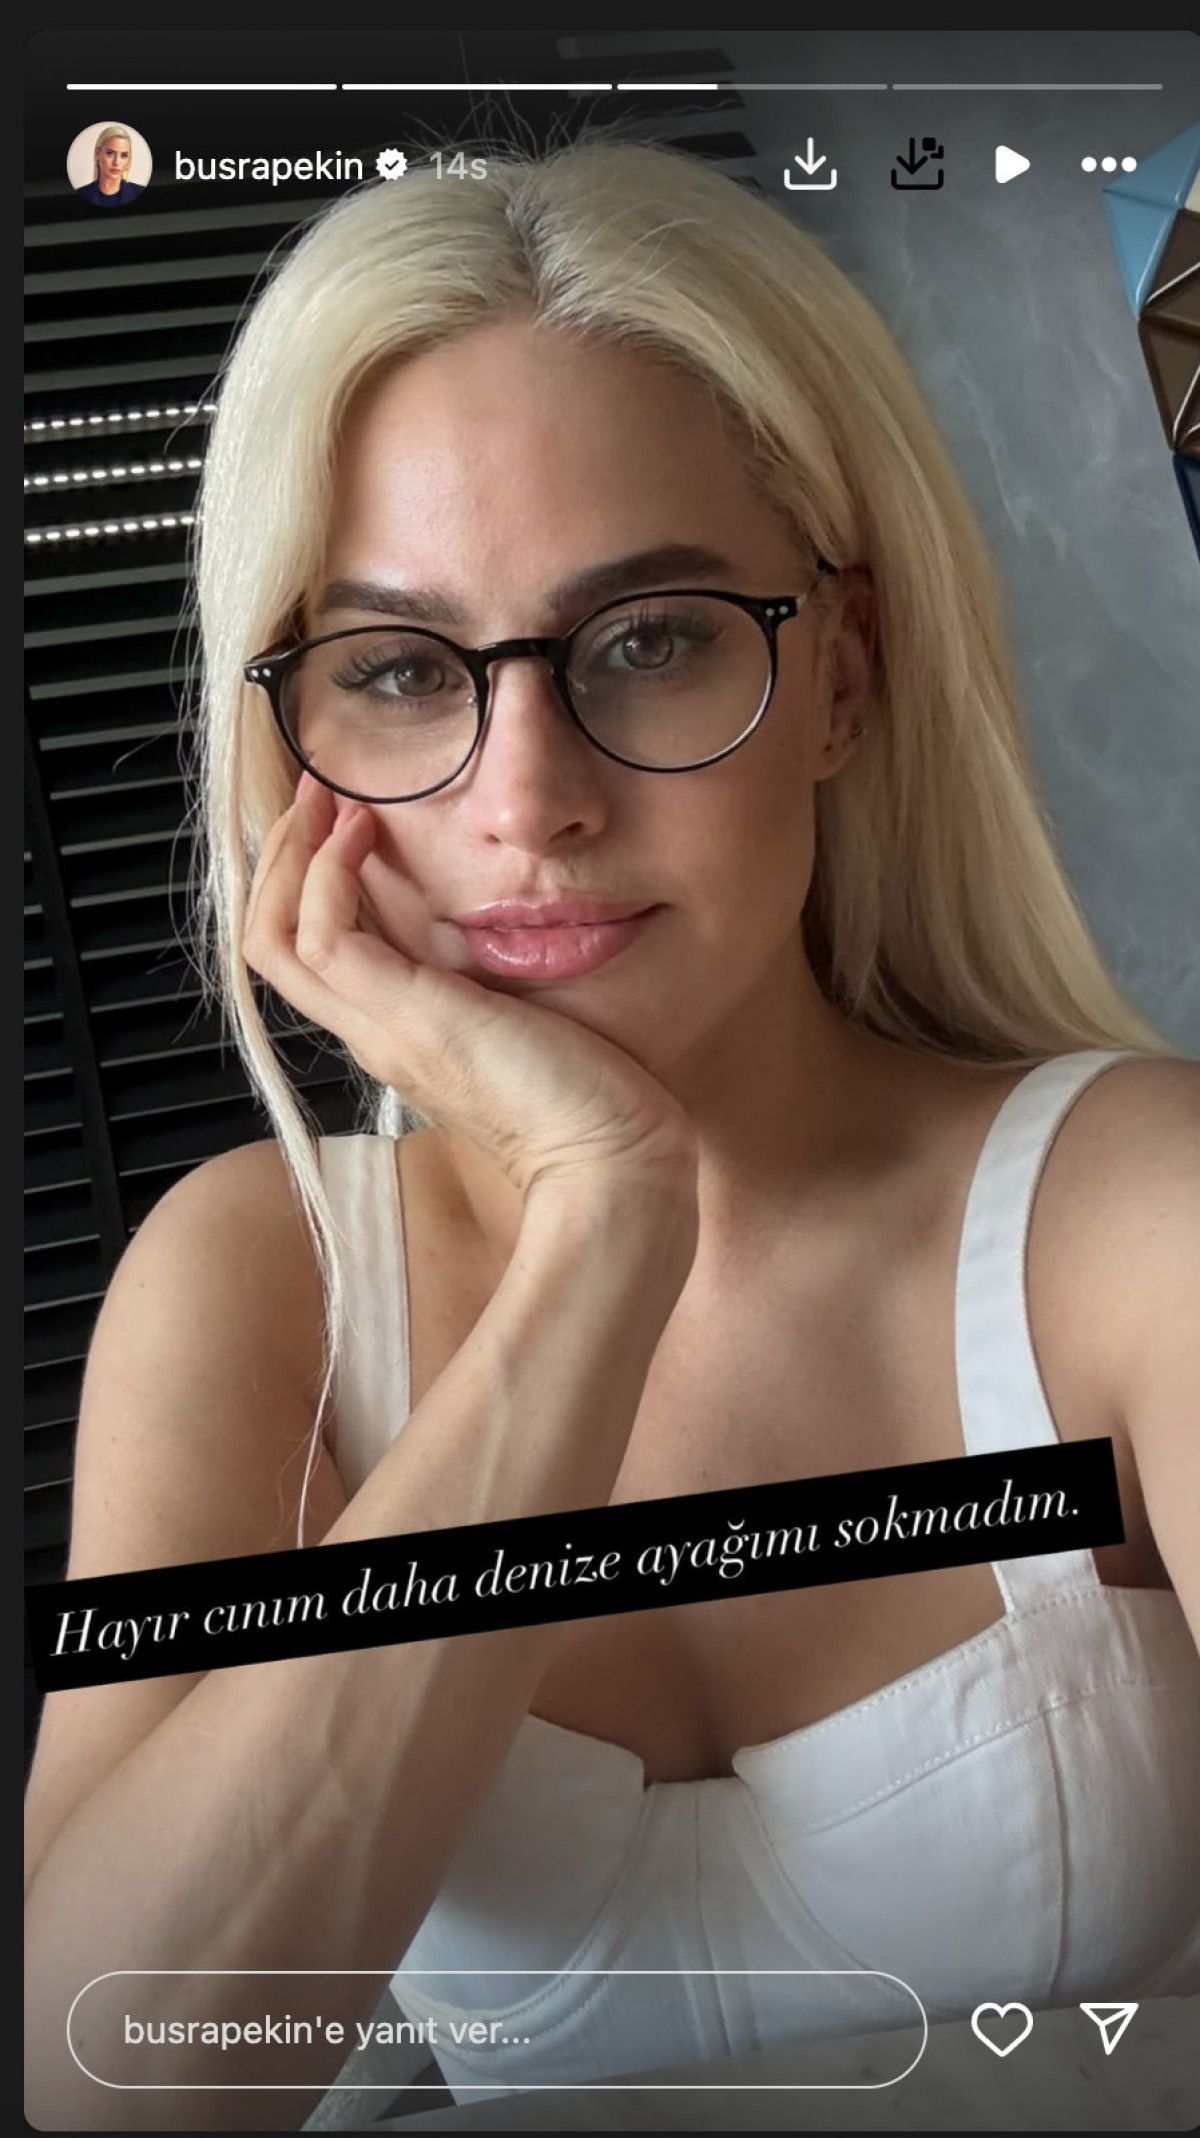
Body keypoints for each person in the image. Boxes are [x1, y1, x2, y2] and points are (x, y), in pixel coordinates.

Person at [24, 135, 1200, 2127]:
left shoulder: (1134, 1213)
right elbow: (111, 2071)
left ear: (841, 676)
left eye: (649, 638)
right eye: (403, 670)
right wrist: (598, 1230)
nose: (529, 798)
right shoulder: (254, 1279)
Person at [73, 125, 145, 207]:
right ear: (97, 154)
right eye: (110, 153)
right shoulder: (81, 193)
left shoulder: (139, 192)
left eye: (123, 155)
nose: (116, 162)